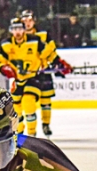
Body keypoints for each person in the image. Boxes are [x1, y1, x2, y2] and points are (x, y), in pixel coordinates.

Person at [0, 18, 53, 137]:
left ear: (24, 30)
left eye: (20, 29)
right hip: (17, 81)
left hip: (33, 78)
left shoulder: (35, 41)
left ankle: (32, 135)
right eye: (14, 29)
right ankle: (19, 137)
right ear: (11, 30)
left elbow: (48, 53)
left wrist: (57, 63)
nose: (17, 32)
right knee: (16, 111)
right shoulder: (6, 44)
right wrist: (7, 70)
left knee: (29, 103)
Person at [22, 10, 72, 138]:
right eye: (25, 21)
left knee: (46, 101)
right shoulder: (19, 38)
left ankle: (46, 124)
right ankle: (30, 131)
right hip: (29, 75)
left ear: (34, 21)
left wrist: (59, 64)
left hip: (43, 72)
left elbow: (51, 51)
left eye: (30, 20)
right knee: (28, 102)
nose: (27, 23)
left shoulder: (43, 34)